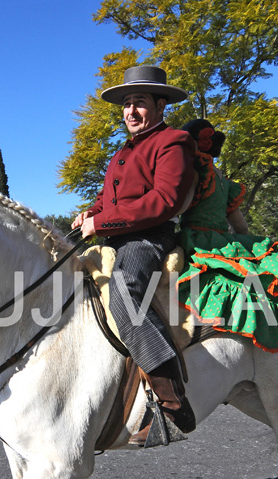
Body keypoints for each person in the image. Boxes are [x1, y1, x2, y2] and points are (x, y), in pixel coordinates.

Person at [71, 65, 198, 445]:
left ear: (160, 105)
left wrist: (103, 222)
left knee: (125, 297)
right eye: (126, 104)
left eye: (139, 102)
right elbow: (105, 199)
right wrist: (90, 215)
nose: (130, 111)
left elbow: (165, 201)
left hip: (148, 239)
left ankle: (171, 401)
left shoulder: (173, 142)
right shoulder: (120, 153)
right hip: (114, 238)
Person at [175, 117, 278, 351]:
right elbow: (241, 226)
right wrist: (241, 243)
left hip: (196, 240)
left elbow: (178, 206)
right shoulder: (224, 181)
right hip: (224, 240)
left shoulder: (197, 170)